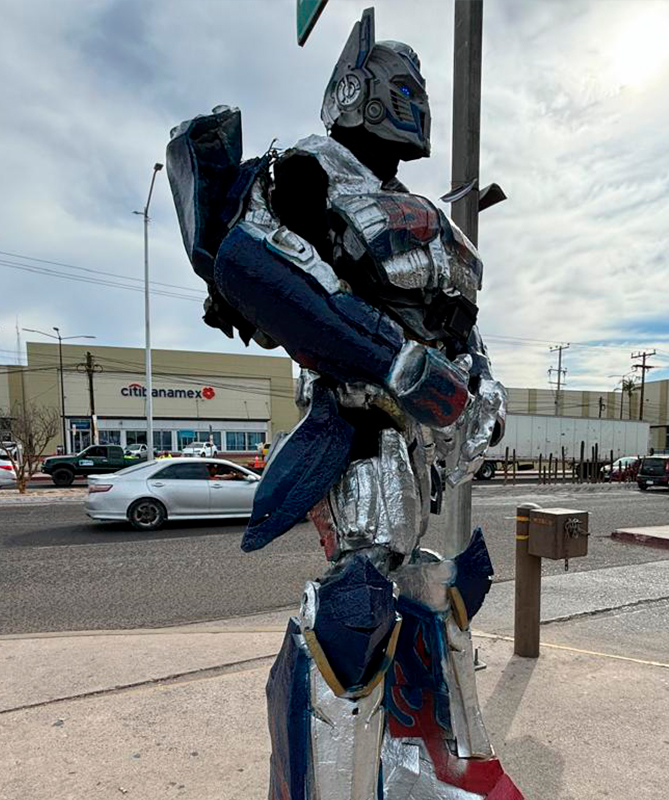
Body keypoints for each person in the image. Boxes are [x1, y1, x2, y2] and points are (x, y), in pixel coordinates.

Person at [165, 8, 516, 799]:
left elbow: (465, 326)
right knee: (354, 606)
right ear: (355, 88)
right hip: (360, 424)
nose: (413, 99)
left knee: (437, 587)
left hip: (434, 438)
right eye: (399, 83)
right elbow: (259, 269)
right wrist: (398, 365)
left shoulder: (434, 222)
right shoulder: (306, 175)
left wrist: (483, 392)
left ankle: (443, 761)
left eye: (417, 86)